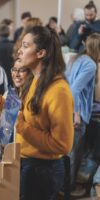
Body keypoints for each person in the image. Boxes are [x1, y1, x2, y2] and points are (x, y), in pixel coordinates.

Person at [15, 26, 74, 200]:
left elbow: (62, 144)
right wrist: (0, 104)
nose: (20, 51)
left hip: (43, 171)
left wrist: (22, 128)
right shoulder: (36, 80)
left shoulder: (58, 91)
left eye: (25, 46)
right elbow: (29, 118)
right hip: (30, 165)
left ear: (41, 53)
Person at [65, 33, 100, 195]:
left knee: (71, 152)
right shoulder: (91, 65)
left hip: (68, 110)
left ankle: (66, 187)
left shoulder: (77, 59)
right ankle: (68, 189)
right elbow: (74, 90)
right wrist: (77, 113)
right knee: (74, 154)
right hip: (76, 114)